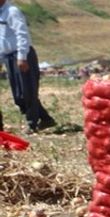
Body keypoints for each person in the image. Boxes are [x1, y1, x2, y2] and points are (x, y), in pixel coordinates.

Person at [0, 0, 55, 133]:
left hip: (21, 56)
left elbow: (22, 33)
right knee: (18, 95)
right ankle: (46, 119)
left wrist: (22, 56)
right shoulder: (1, 14)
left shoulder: (12, 11)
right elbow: (2, 39)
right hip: (9, 57)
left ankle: (32, 123)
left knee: (27, 91)